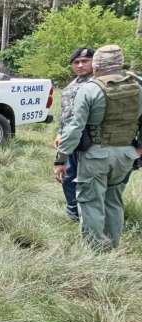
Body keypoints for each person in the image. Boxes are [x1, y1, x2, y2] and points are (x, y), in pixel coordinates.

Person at [53, 45, 142, 249]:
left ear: (97, 64)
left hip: (96, 155)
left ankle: (95, 251)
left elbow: (75, 128)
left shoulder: (91, 89)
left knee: (91, 202)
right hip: (126, 154)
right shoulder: (137, 86)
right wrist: (139, 149)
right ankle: (112, 245)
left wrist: (60, 159)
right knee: (114, 201)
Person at [53, 47, 95, 221]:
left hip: (93, 142)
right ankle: (73, 212)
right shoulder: (71, 86)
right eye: (76, 62)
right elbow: (65, 114)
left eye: (85, 61)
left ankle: (91, 216)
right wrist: (59, 133)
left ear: (94, 62)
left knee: (90, 181)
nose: (80, 65)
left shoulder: (98, 84)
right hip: (71, 141)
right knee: (69, 175)